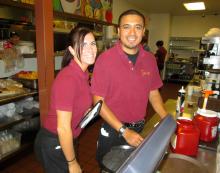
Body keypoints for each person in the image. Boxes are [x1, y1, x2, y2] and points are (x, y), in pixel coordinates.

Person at [91, 9, 168, 168]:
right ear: (119, 31)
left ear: (143, 31)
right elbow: (98, 101)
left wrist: (165, 118)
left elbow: (153, 93)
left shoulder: (150, 59)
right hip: (114, 129)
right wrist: (124, 131)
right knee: (109, 168)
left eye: (137, 27)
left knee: (134, 167)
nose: (132, 32)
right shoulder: (105, 60)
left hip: (139, 126)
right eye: (126, 27)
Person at [34, 26, 97, 173]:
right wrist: (72, 162)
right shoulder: (68, 78)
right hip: (54, 141)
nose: (90, 48)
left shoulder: (83, 73)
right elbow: (62, 128)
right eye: (83, 44)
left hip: (67, 139)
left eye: (93, 43)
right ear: (72, 50)